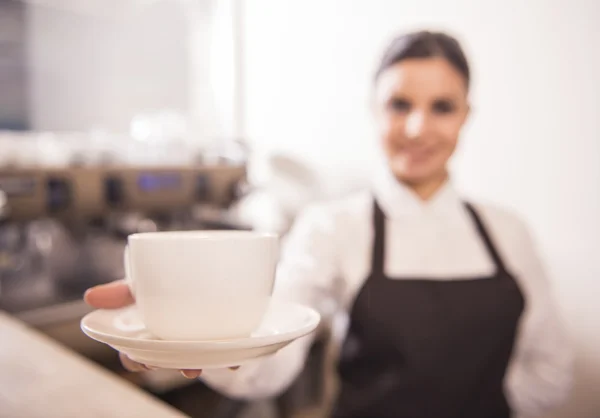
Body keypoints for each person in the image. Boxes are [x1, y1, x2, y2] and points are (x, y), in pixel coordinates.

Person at [85, 30, 574, 418]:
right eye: (400, 104)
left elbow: (551, 371)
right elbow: (271, 364)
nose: (417, 128)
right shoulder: (334, 227)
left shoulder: (508, 231)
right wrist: (198, 328)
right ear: (374, 111)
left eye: (442, 107)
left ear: (466, 115)